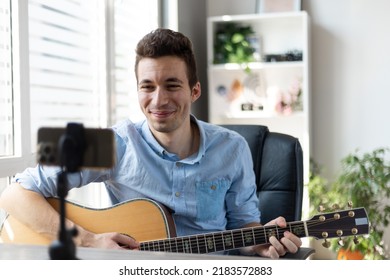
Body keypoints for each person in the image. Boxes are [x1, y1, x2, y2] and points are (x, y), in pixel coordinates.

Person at [0, 28, 301, 259]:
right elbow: (14, 195)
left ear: (195, 90)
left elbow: (243, 228)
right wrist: (88, 240)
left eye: (172, 85)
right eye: (148, 86)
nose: (159, 100)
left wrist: (258, 243)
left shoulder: (233, 149)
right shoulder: (113, 142)